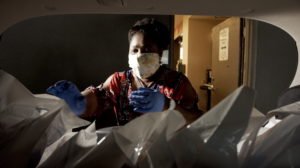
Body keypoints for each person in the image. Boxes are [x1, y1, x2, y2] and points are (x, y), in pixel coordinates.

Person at [47, 18, 202, 127]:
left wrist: (168, 105)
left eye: (147, 50)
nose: (140, 55)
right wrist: (78, 102)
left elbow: (197, 120)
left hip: (166, 150)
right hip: (129, 149)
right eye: (134, 50)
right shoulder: (119, 81)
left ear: (160, 53)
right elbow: (95, 100)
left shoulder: (177, 82)